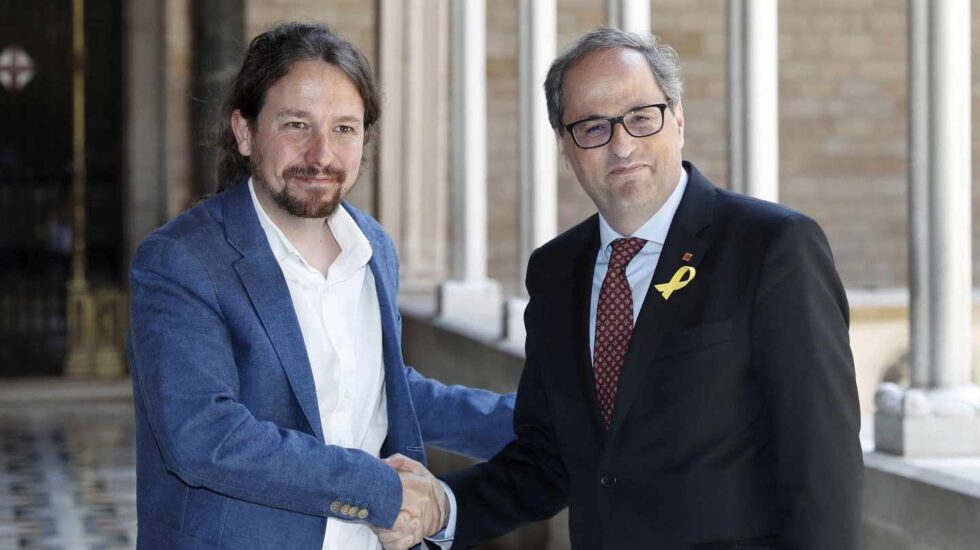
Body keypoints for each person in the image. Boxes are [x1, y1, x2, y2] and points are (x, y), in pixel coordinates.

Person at [432, 27, 862, 549]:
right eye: (593, 127)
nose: (622, 146)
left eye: (640, 117)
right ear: (566, 148)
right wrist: (438, 510)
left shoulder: (771, 248)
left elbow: (822, 468)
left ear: (678, 118)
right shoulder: (554, 271)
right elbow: (551, 459)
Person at [127, 22, 514, 550]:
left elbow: (380, 391)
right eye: (296, 124)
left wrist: (539, 423)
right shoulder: (182, 260)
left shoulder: (372, 246)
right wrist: (381, 490)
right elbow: (205, 436)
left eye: (344, 129)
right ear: (245, 132)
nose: (321, 154)